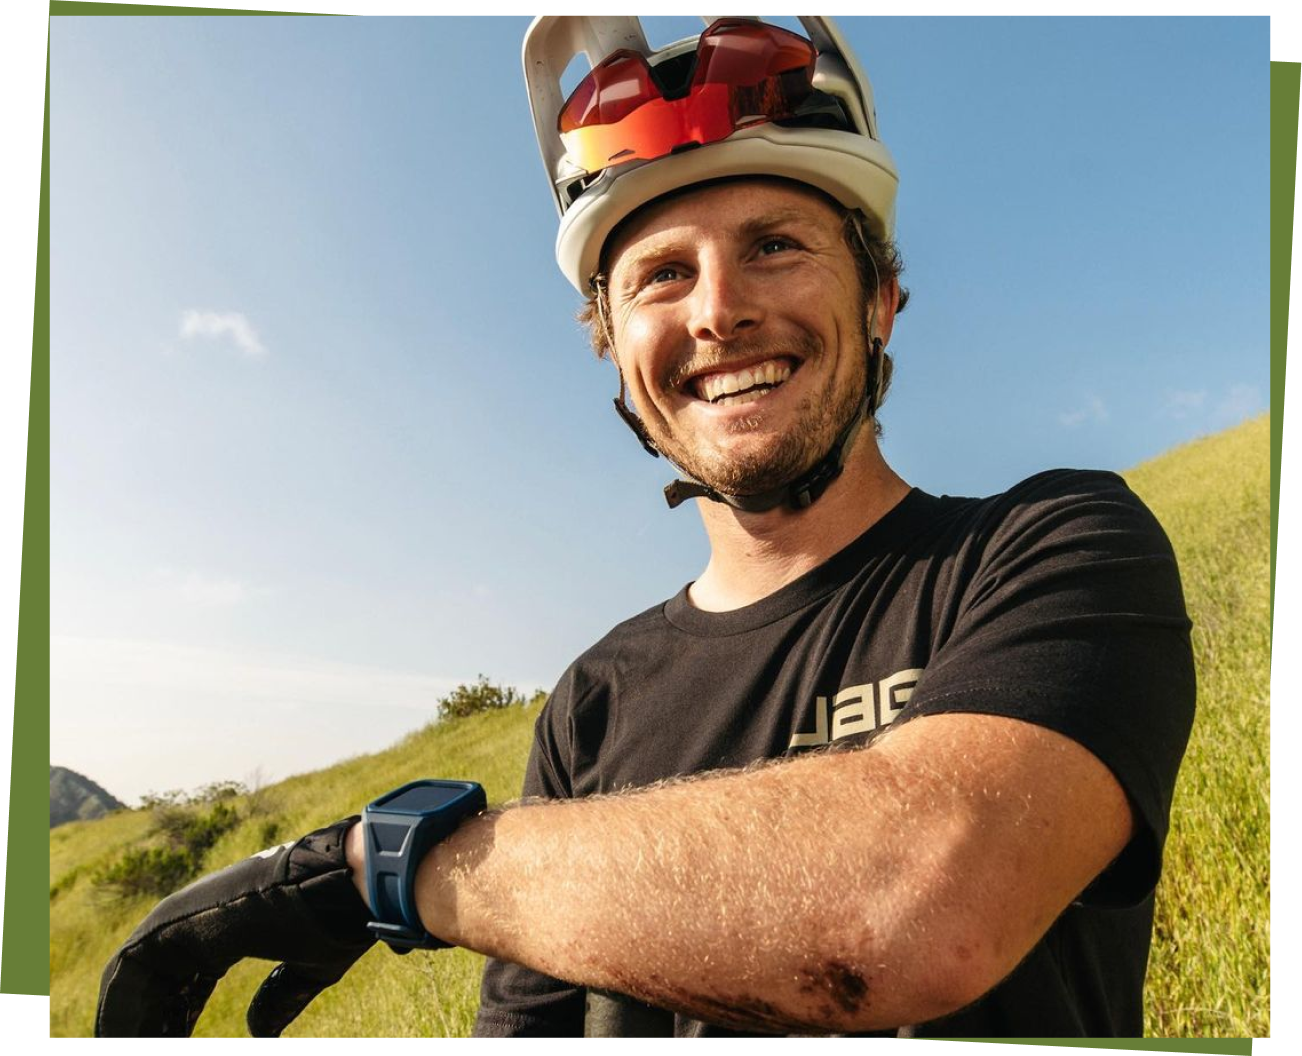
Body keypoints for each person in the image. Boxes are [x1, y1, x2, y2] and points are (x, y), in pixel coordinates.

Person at [96, 15, 1195, 1039]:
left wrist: (397, 869)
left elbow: (913, 904)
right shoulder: (591, 705)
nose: (718, 309)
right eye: (662, 275)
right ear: (614, 354)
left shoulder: (1053, 545)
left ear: (881, 301)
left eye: (775, 245)